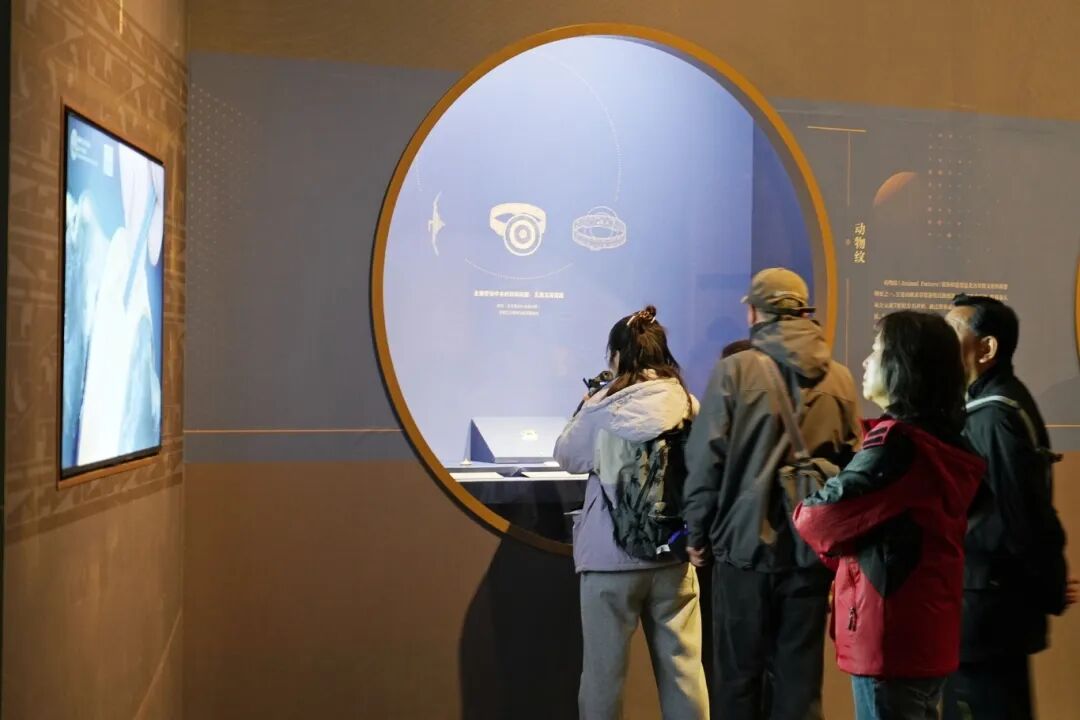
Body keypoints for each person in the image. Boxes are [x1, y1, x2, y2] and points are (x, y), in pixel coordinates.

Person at [683, 268, 861, 720]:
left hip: (743, 551)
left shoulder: (734, 372)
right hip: (809, 555)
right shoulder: (840, 379)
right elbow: (854, 471)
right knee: (800, 683)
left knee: (737, 680)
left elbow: (705, 461)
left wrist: (697, 533)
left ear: (755, 313)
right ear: (803, 311)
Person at [793, 310, 987, 720]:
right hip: (925, 631)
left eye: (877, 351)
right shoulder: (944, 442)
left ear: (904, 366)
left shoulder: (897, 447)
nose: (865, 362)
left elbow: (816, 519)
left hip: (889, 636)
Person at [554, 305, 709, 720]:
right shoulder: (687, 404)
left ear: (617, 355)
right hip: (671, 555)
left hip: (608, 560)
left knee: (603, 679)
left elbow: (567, 456)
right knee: (685, 673)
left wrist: (583, 406)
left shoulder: (600, 408)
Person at [942, 295, 1076, 720]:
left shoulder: (994, 417)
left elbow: (1022, 513)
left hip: (989, 608)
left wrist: (1047, 582)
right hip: (990, 602)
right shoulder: (996, 405)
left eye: (952, 333)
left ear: (986, 348)